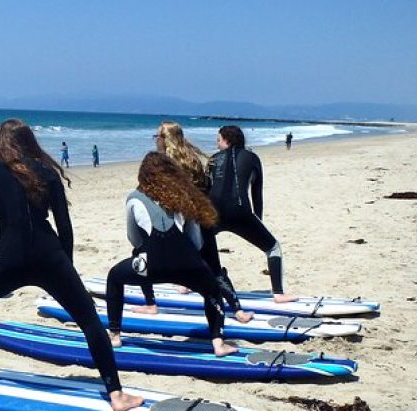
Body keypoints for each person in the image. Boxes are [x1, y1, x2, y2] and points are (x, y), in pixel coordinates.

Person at [0, 118, 142, 411]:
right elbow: (65, 226)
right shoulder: (47, 172)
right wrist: (67, 267)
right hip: (50, 257)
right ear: (29, 141)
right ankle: (116, 394)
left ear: (0, 144)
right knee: (88, 320)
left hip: (9, 259)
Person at [105, 152, 239, 356]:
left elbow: (133, 238)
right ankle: (218, 343)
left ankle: (114, 335)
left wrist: (145, 255)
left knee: (114, 277)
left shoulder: (134, 198)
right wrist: (187, 262)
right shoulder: (183, 196)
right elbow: (197, 241)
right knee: (212, 289)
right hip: (188, 265)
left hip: (151, 266)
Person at [134, 122, 253, 323]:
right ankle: (238, 310)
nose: (156, 140)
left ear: (165, 139)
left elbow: (161, 194)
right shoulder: (192, 158)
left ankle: (150, 303)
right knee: (214, 267)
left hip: (180, 222)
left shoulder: (164, 162)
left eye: (157, 136)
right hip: (202, 215)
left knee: (141, 253)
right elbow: (205, 187)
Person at [206, 126, 296, 303]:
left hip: (212, 213)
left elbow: (206, 190)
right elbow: (257, 193)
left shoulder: (213, 159)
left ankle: (185, 286)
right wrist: (258, 221)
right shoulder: (253, 158)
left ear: (227, 140)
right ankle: (278, 294)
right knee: (273, 248)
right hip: (240, 212)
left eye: (218, 140)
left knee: (197, 247)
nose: (217, 144)